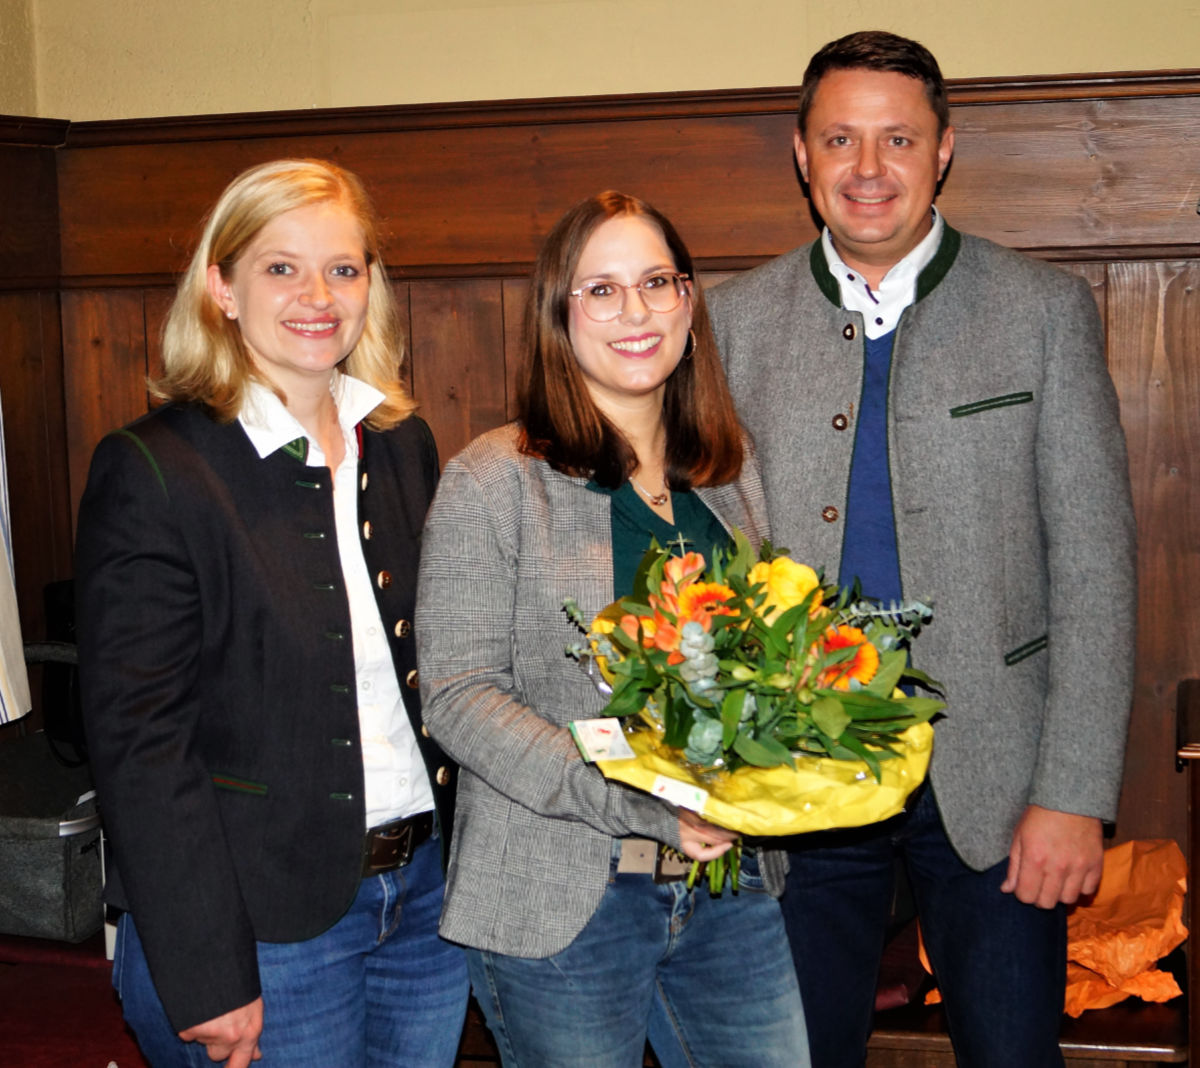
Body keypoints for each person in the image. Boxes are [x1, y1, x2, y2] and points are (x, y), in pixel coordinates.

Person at [707, 30, 1136, 1068]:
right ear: (801, 156)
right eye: (840, 140)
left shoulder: (1039, 312)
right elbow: (700, 562)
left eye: (897, 139)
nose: (867, 169)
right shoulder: (725, 324)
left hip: (995, 788)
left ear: (943, 149)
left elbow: (1095, 567)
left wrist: (1074, 793)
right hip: (796, 783)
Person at [75, 159, 468, 1067]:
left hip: (422, 905)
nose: (318, 296)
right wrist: (207, 971)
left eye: (344, 267)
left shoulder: (401, 444)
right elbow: (141, 745)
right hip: (263, 927)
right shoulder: (156, 469)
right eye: (280, 268)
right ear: (221, 286)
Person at [415, 191, 810, 1068]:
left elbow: (766, 671)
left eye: (657, 283)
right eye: (601, 290)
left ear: (690, 303)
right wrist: (636, 800)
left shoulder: (734, 475)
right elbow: (458, 697)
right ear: (560, 317)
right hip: (563, 903)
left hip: (729, 886)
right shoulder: (493, 480)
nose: (635, 312)